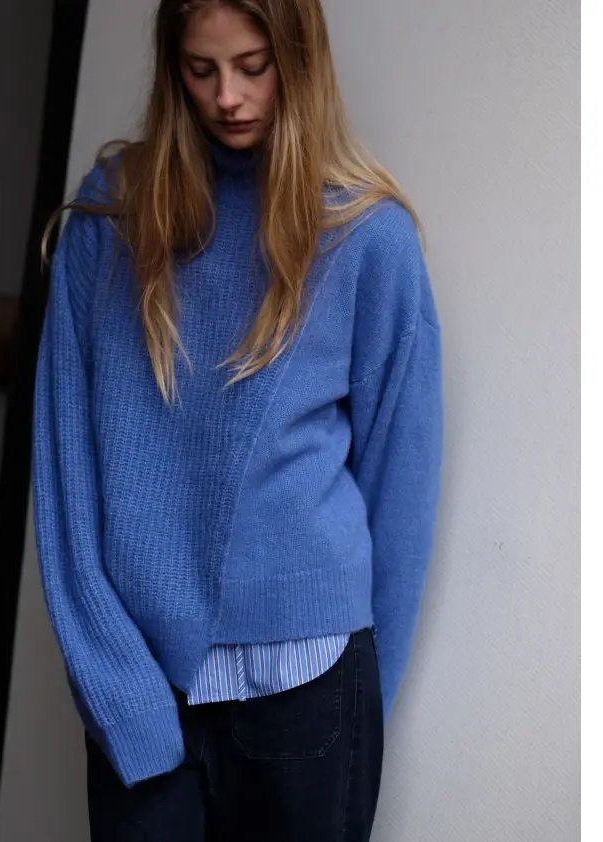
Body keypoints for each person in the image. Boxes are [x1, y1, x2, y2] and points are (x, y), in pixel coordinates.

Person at [33, 1, 443, 839]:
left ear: (300, 60)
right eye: (201, 69)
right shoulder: (111, 217)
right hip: (139, 680)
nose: (227, 96)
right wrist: (117, 691)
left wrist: (361, 709)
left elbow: (400, 491)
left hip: (313, 693)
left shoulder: (367, 235)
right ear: (171, 70)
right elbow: (64, 474)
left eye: (253, 66)